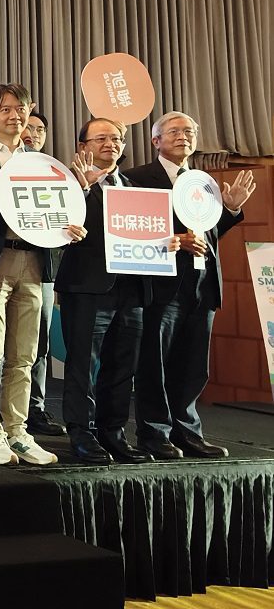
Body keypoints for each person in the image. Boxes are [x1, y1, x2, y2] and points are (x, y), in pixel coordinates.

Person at [0, 84, 80, 466]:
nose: (15, 116)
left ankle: (18, 431)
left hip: (34, 261)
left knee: (25, 354)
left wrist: (70, 227)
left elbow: (57, 211)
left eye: (21, 109)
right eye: (6, 109)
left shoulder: (42, 164)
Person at [127, 112, 257, 459]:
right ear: (156, 140)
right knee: (155, 363)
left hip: (203, 284)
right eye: (174, 131)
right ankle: (154, 434)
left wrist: (229, 210)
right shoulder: (136, 178)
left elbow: (209, 235)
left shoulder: (202, 181)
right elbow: (129, 227)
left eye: (189, 131)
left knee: (193, 365)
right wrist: (174, 239)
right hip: (160, 285)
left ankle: (187, 432)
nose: (183, 136)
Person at [57, 118, 151, 465]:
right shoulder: (66, 182)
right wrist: (82, 190)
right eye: (101, 138)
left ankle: (113, 432)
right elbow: (53, 226)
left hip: (132, 289)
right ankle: (81, 433)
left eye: (116, 138)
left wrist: (165, 242)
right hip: (87, 287)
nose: (110, 143)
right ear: (83, 146)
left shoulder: (135, 188)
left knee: (122, 365)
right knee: (84, 364)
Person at [18, 110, 65, 436]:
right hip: (5, 261)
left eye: (40, 130)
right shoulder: (4, 165)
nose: (33, 134)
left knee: (40, 342)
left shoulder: (53, 172)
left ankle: (35, 408)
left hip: (42, 266)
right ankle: (2, 411)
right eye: (28, 127)